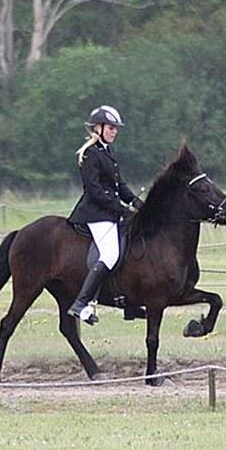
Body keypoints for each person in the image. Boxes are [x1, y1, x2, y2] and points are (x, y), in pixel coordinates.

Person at [67, 105, 144, 325]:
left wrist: (139, 205)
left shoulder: (106, 151)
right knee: (110, 254)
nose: (114, 132)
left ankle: (130, 305)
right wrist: (122, 210)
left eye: (115, 128)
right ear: (98, 128)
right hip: (95, 214)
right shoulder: (91, 154)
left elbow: (120, 186)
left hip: (109, 212)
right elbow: (95, 191)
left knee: (130, 247)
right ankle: (81, 303)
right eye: (111, 128)